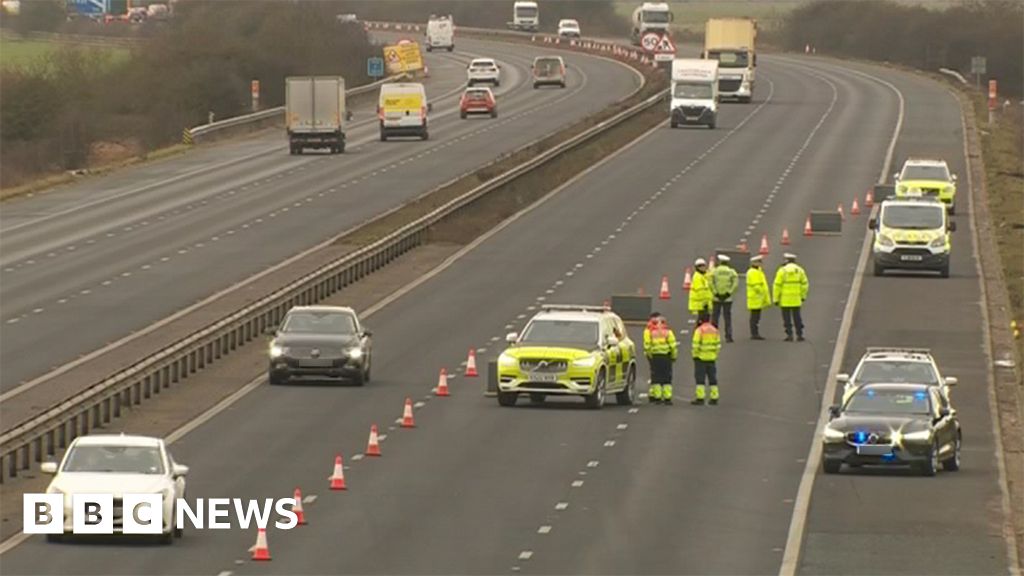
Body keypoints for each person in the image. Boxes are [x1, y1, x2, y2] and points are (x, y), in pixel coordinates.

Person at [773, 252, 809, 341]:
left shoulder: (782, 271)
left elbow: (777, 285)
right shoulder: (800, 270)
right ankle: (799, 334)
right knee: (797, 317)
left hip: (785, 299)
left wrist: (776, 298)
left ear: (786, 260)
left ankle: (789, 335)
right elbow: (805, 284)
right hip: (796, 299)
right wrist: (803, 296)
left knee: (787, 318)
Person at [643, 312, 677, 405]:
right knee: (667, 377)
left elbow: (647, 345)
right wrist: (673, 356)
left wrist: (650, 356)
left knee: (656, 377)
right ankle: (667, 397)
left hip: (655, 356)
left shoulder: (648, 331)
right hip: (666, 356)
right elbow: (673, 346)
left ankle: (657, 397)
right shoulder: (667, 331)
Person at [691, 316, 722, 405]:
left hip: (700, 358)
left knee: (700, 379)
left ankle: (700, 398)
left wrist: (695, 355)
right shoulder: (714, 330)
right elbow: (718, 345)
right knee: (712, 378)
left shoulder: (699, 330)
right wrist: (714, 354)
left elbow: (695, 344)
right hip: (711, 358)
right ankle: (714, 397)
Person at [710, 254, 739, 342]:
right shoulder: (731, 272)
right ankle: (728, 336)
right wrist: (729, 293)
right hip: (727, 298)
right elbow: (735, 283)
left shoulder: (714, 271)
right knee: (727, 318)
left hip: (716, 298)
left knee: (715, 318)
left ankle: (713, 337)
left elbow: (710, 283)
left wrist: (716, 293)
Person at [746, 255, 772, 340]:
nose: (761, 264)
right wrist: (762, 294)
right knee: (754, 317)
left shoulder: (758, 271)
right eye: (759, 262)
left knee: (756, 317)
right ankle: (754, 333)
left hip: (758, 298)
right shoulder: (753, 272)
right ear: (754, 263)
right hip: (755, 298)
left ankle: (755, 333)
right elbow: (756, 286)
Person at [687, 258, 713, 324]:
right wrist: (705, 303)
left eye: (703, 266)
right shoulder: (697, 277)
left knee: (704, 321)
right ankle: (697, 334)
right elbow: (700, 291)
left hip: (704, 303)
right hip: (700, 304)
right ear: (697, 268)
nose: (702, 267)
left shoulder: (705, 275)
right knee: (701, 322)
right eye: (700, 266)